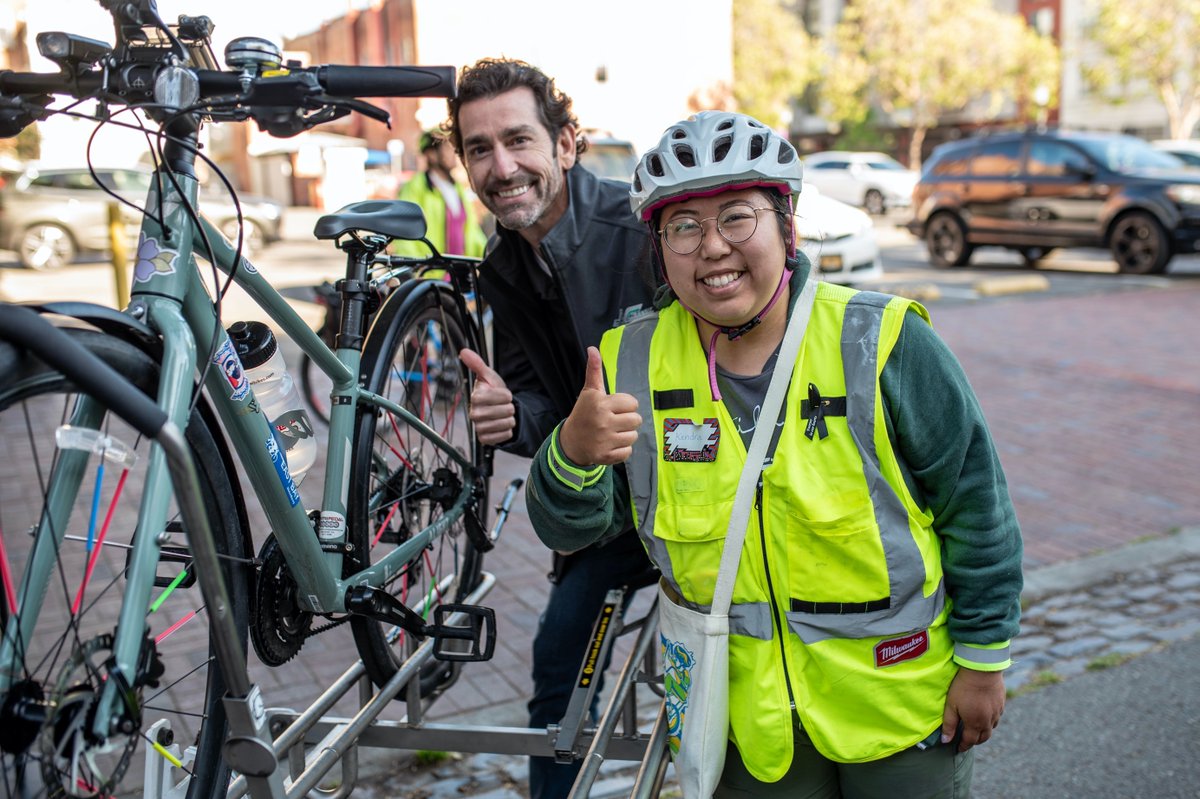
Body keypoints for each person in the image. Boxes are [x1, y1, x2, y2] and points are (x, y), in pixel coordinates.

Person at [525, 110, 1024, 798]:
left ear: (787, 227)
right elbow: (568, 529)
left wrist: (983, 660)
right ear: (660, 249)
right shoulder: (628, 362)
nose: (712, 247)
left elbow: (977, 507)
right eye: (683, 227)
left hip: (900, 707)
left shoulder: (882, 341)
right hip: (743, 724)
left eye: (737, 217)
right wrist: (572, 455)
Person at [444, 58, 661, 799]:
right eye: (479, 149)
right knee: (560, 674)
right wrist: (514, 414)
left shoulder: (644, 229)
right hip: (606, 516)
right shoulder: (502, 264)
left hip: (704, 497)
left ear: (566, 144)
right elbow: (540, 400)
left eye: (518, 140)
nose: (501, 168)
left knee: (720, 680)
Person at [392, 128, 487, 258]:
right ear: (431, 154)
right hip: (431, 269)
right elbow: (404, 231)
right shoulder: (415, 187)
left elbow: (472, 230)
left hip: (461, 268)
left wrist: (487, 255)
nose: (454, 154)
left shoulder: (457, 188)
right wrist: (417, 266)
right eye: (448, 149)